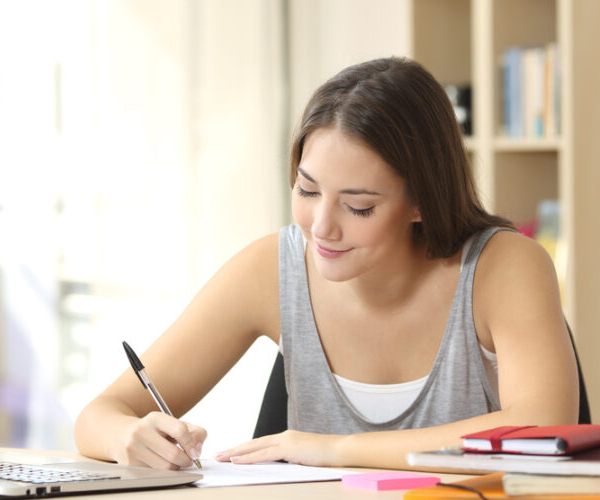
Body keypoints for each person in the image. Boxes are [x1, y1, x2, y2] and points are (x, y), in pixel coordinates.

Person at [73, 57, 578, 471]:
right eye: (307, 190)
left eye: (358, 206)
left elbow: (543, 425)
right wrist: (128, 438)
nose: (321, 227)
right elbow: (98, 416)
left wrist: (336, 449)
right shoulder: (272, 269)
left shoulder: (503, 267)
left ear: (422, 201)